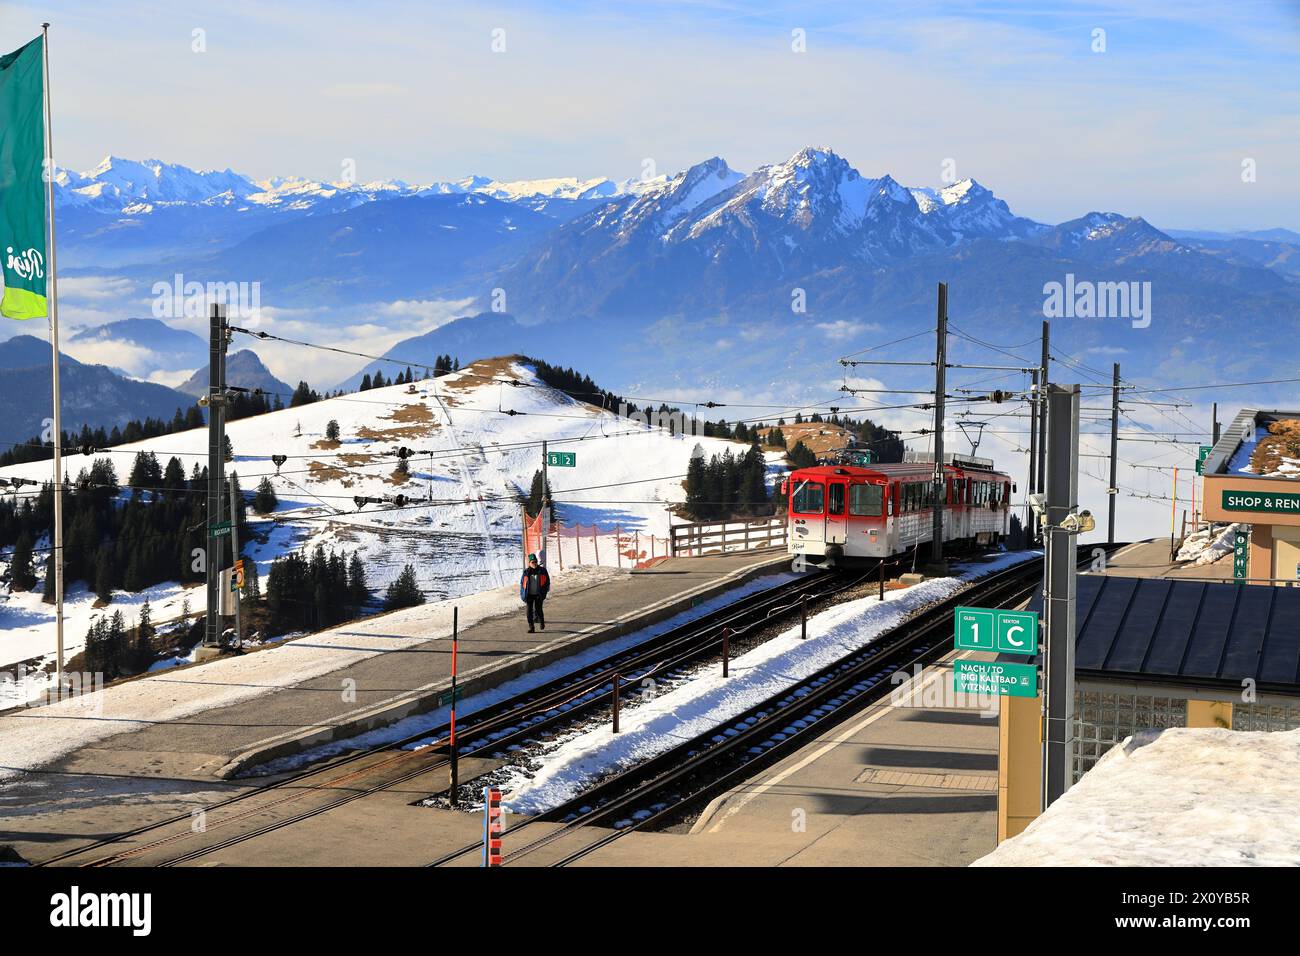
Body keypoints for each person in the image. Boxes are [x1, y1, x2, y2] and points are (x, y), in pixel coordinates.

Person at [519, 553, 550, 633]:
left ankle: (542, 622)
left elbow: (547, 582)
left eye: (535, 562)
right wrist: (523, 595)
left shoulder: (542, 571)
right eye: (532, 562)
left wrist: (544, 592)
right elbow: (522, 584)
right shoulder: (526, 572)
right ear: (529, 563)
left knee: (538, 609)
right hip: (529, 595)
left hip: (538, 594)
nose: (534, 563)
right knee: (529, 612)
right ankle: (531, 627)